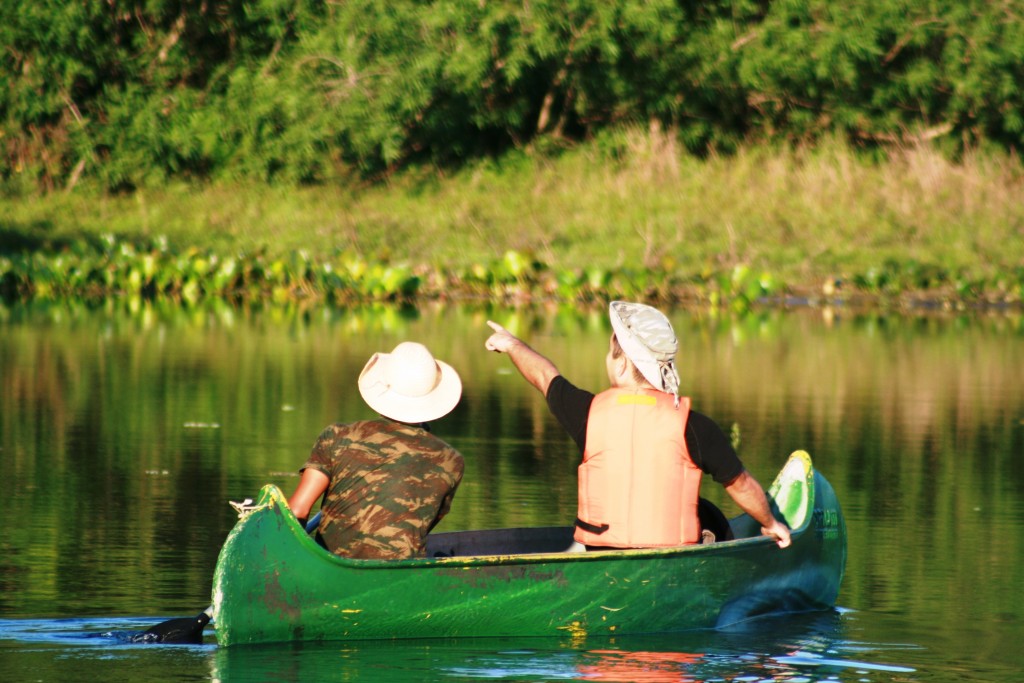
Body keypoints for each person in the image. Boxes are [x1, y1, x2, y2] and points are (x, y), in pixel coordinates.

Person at [484, 301, 791, 550]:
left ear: (620, 364)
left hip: (601, 552)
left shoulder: (588, 413)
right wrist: (769, 523)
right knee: (707, 513)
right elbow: (740, 485)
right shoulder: (694, 425)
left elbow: (544, 376)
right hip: (671, 558)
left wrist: (511, 344)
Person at [287, 341, 465, 560]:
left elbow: (297, 512)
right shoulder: (452, 460)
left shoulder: (338, 436)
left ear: (385, 385)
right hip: (401, 574)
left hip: (333, 566)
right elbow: (423, 523)